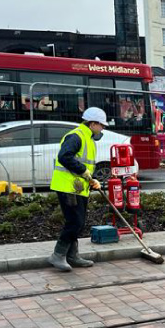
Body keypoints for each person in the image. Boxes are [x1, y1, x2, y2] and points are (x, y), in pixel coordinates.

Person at [48, 107, 109, 271]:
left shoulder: (89, 139)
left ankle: (72, 256)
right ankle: (58, 255)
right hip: (67, 187)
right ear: (93, 123)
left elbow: (86, 165)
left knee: (78, 222)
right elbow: (64, 156)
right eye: (101, 125)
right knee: (75, 222)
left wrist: (91, 179)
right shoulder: (76, 136)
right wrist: (82, 170)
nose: (103, 128)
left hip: (79, 188)